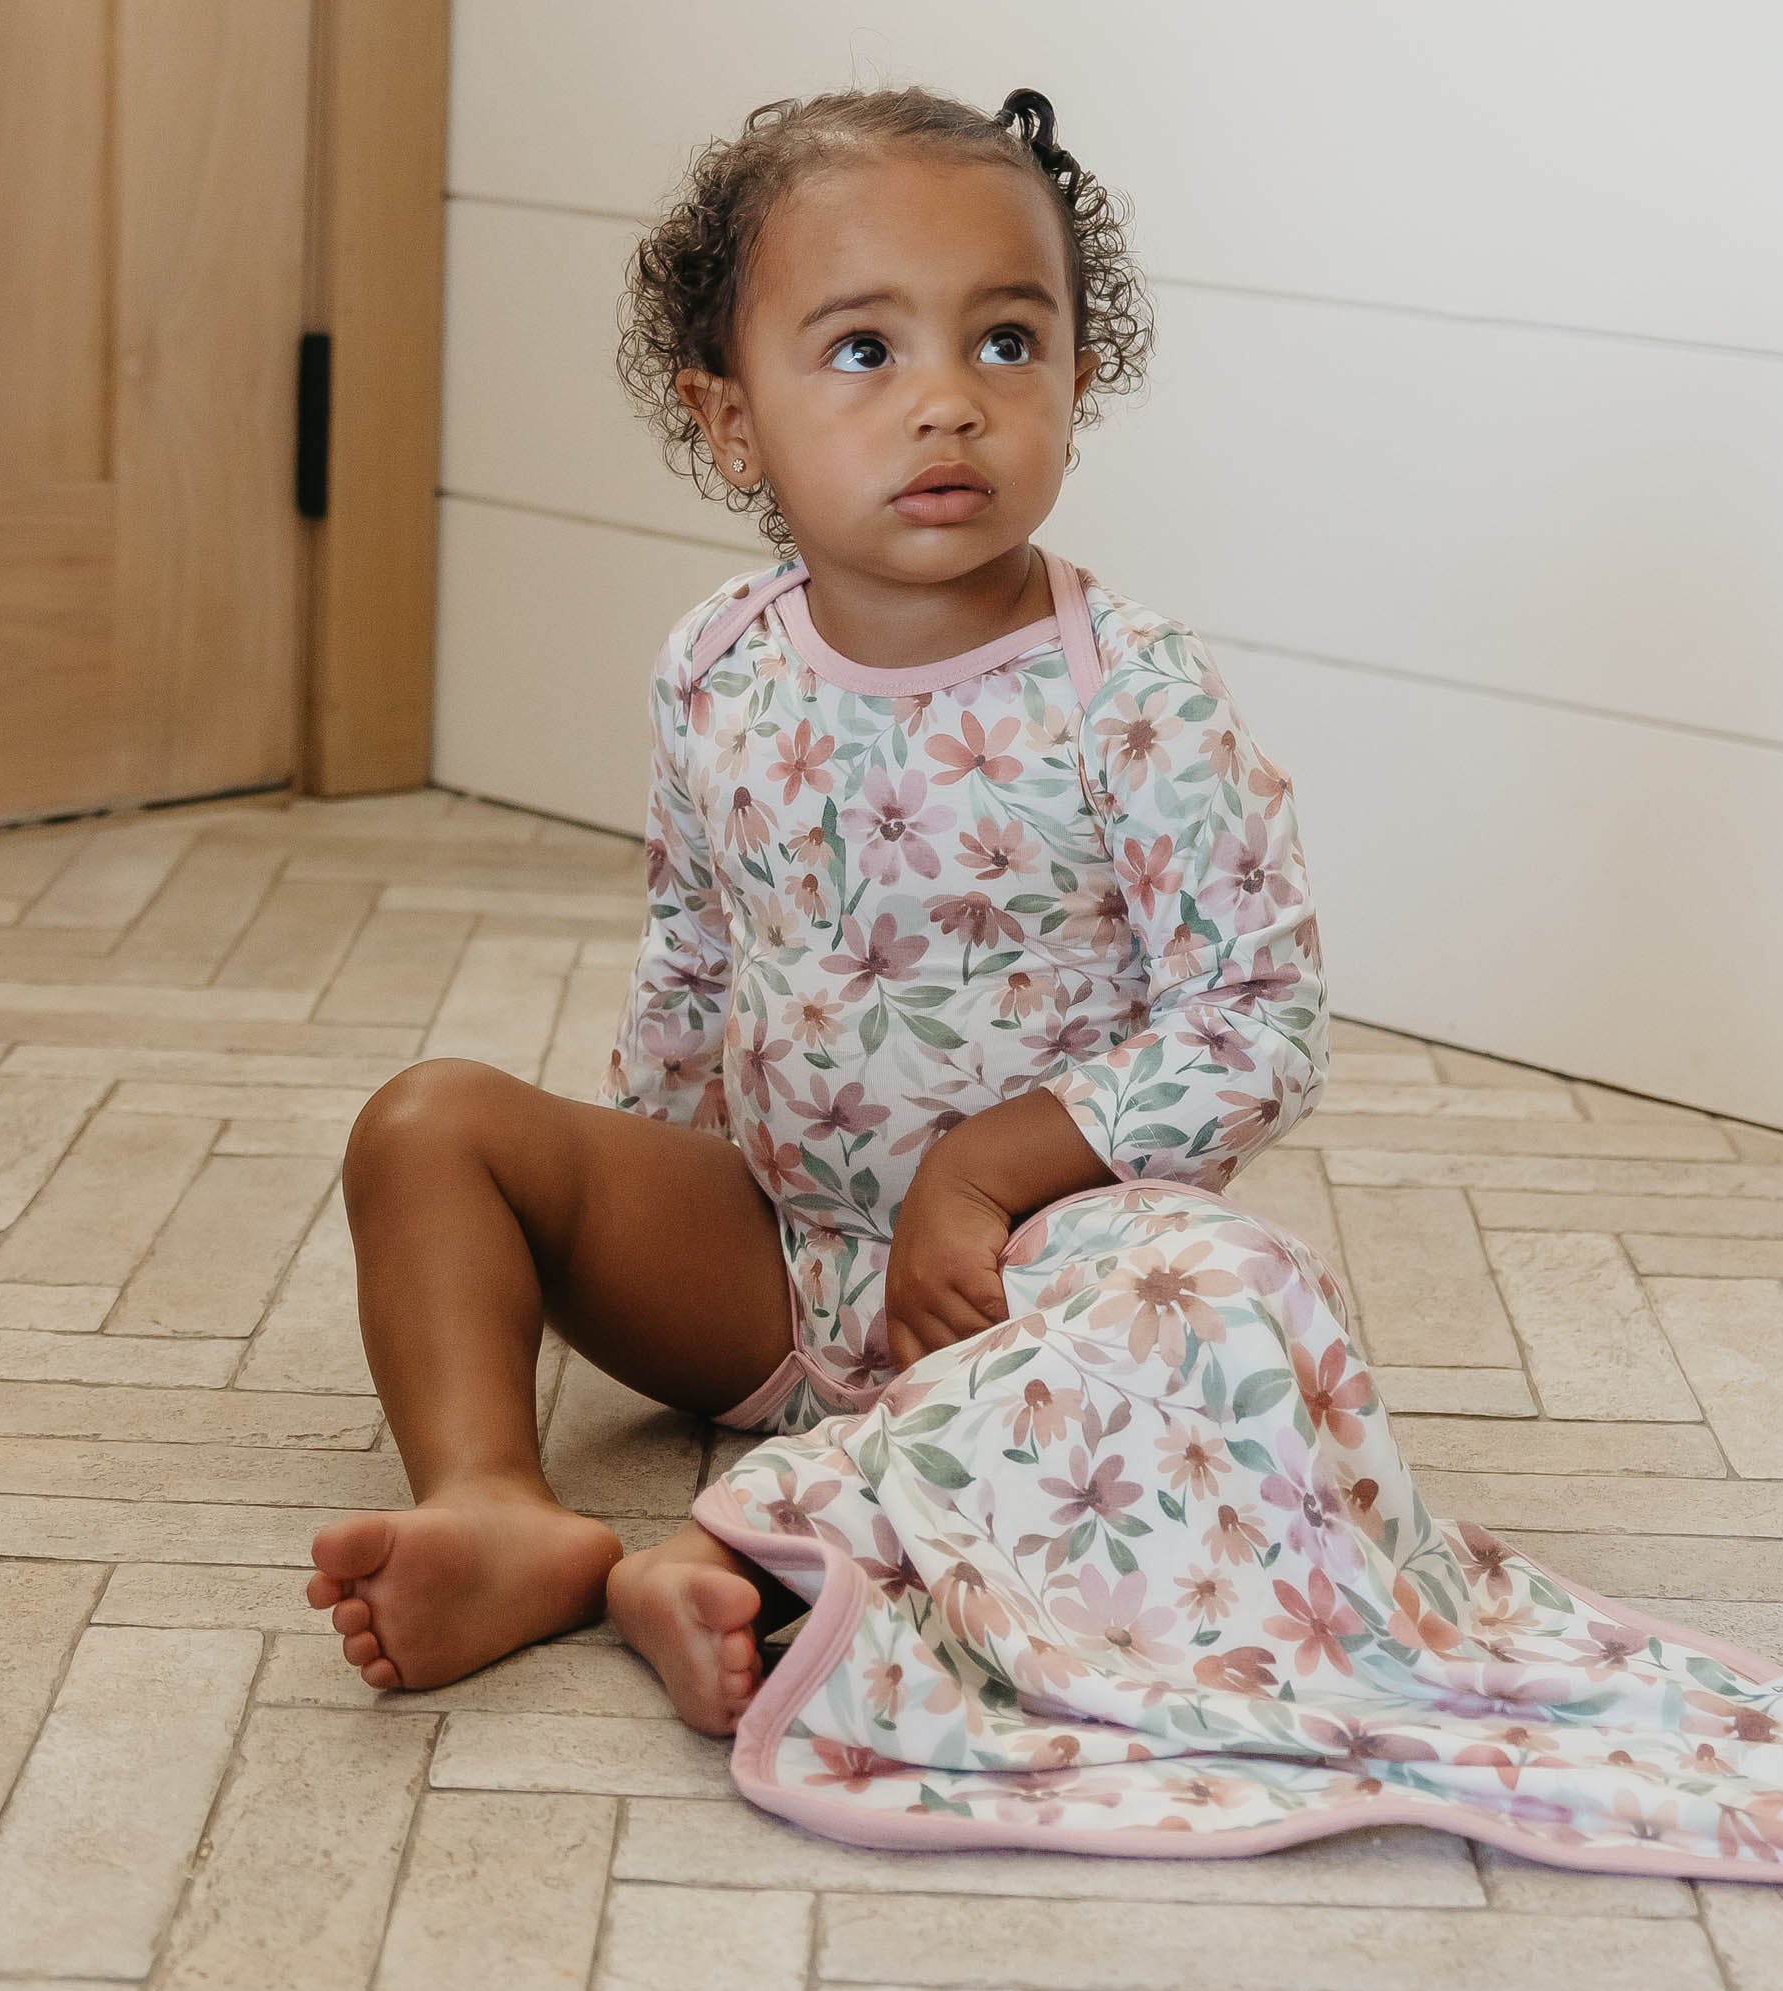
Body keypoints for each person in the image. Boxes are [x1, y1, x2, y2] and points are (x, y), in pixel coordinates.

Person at [305, 84, 1329, 1734]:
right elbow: (694, 946)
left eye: (1008, 341)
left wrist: (984, 1173)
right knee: (430, 1127)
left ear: (1078, 376)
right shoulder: (719, 660)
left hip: (1027, 1291)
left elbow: (1260, 1019)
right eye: (866, 350)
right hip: (777, 1264)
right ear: (731, 423)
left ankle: (758, 1558)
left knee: (1229, 1296)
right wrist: (636, 1185)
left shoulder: (1129, 695)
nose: (950, 401)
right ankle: (495, 1504)